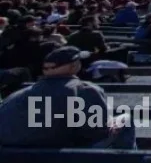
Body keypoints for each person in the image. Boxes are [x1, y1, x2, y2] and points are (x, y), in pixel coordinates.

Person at [0, 46, 135, 149]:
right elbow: (97, 132)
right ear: (74, 66)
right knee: (126, 119)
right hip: (63, 153)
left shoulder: (17, 95)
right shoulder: (85, 89)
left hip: (14, 154)